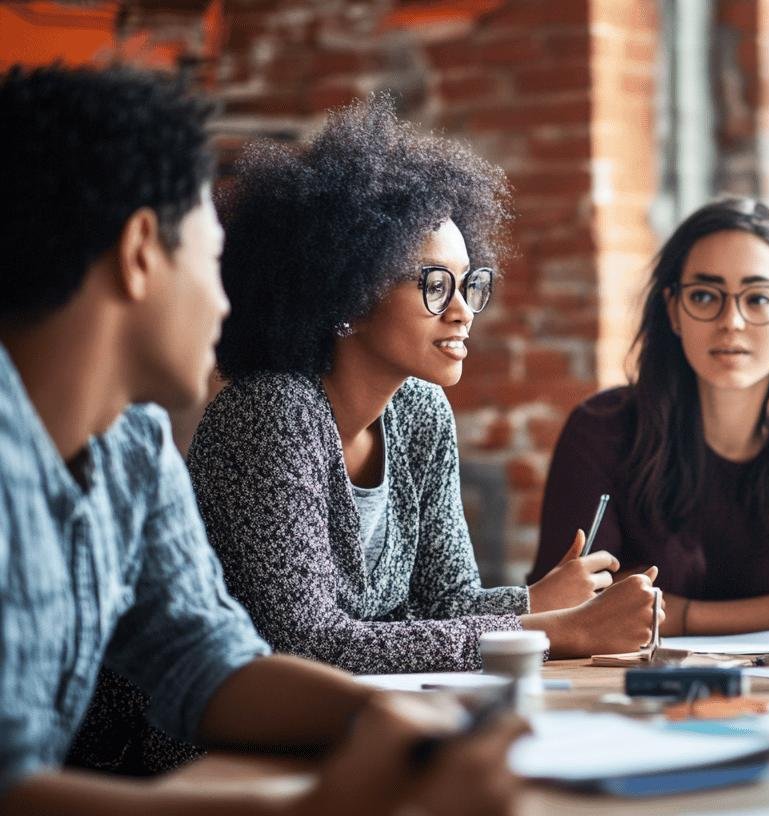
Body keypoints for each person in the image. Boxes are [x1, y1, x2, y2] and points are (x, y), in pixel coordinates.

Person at [0, 64, 519, 815]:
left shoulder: (135, 446)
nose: (226, 300)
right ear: (142, 251)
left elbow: (204, 659)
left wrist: (382, 720)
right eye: (213, 263)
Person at [184, 95, 661, 671]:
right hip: (209, 745)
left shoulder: (419, 410)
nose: (462, 311)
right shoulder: (273, 414)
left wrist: (535, 602)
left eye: (470, 285)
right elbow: (308, 643)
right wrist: (556, 632)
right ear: (348, 295)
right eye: (435, 284)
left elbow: (445, 604)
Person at [530, 198, 769, 638]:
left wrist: (684, 615)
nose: (731, 322)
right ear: (673, 309)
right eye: (705, 296)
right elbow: (562, 609)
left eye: (759, 298)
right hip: (627, 687)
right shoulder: (600, 429)